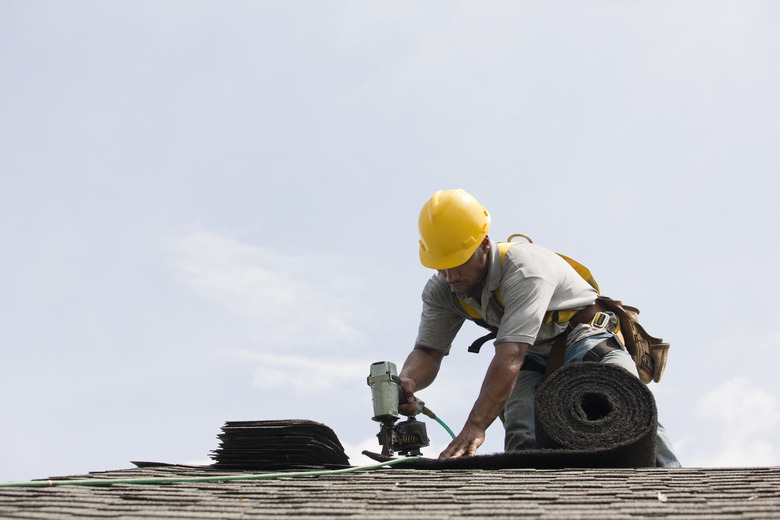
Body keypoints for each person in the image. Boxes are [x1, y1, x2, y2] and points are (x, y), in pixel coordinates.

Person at [398, 188, 681, 467]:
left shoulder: (523, 269)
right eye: (440, 266)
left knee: (632, 408)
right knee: (521, 429)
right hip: (533, 351)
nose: (450, 275)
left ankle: (673, 481)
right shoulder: (442, 290)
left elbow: (511, 354)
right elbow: (428, 351)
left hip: (586, 335)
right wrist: (407, 380)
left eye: (458, 262)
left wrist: (475, 426)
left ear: (484, 244)